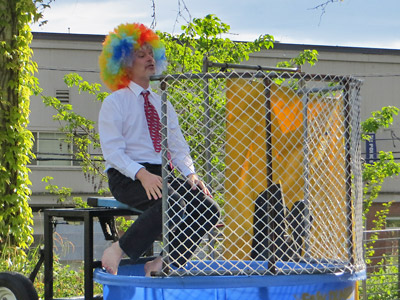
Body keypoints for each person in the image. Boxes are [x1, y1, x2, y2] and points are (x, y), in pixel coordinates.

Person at [98, 23, 220, 276]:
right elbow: (112, 152)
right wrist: (141, 174)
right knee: (173, 203)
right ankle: (119, 249)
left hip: (161, 172)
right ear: (124, 65)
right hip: (128, 175)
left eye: (151, 53)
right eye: (141, 55)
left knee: (209, 208)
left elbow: (177, 145)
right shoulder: (114, 103)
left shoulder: (162, 101)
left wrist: (190, 174)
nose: (149, 58)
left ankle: (165, 261)